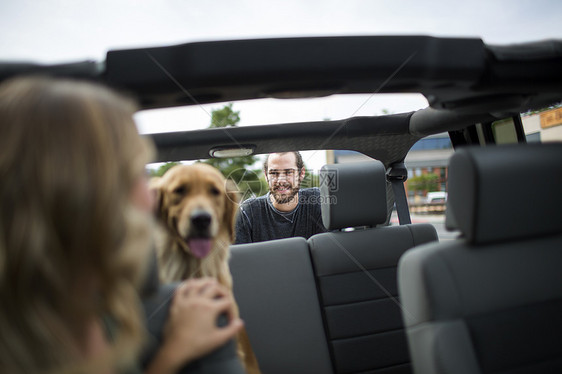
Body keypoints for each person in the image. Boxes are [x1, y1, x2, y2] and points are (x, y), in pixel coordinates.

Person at [0, 76, 242, 374]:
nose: (150, 199)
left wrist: (174, 350)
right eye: (132, 176)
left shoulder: (97, 303)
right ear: (70, 197)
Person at [235, 151, 326, 244]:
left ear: (301, 173)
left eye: (288, 172)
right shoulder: (248, 213)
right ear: (266, 175)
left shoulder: (318, 202)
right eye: (274, 173)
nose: (281, 180)